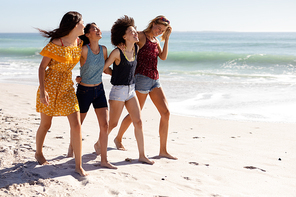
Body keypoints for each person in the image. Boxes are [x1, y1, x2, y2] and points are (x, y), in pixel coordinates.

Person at [114, 15, 177, 160]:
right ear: (153, 23)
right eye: (158, 28)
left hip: (155, 79)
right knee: (135, 115)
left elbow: (163, 57)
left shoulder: (155, 40)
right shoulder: (141, 36)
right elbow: (127, 46)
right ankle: (118, 138)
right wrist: (120, 48)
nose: (159, 32)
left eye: (162, 31)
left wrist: (166, 38)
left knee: (166, 113)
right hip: (141, 79)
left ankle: (163, 150)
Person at [35, 11, 87, 176]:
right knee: (46, 124)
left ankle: (78, 165)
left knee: (76, 125)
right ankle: (39, 153)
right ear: (74, 25)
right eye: (82, 22)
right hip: (50, 87)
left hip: (67, 88)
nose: (84, 25)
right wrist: (43, 91)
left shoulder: (79, 43)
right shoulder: (57, 43)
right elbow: (42, 67)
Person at [103, 15, 154, 165]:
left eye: (135, 31)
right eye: (131, 31)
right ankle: (99, 144)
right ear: (124, 36)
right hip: (118, 91)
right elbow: (104, 69)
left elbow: (148, 34)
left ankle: (142, 155)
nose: (135, 33)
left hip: (131, 90)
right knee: (112, 124)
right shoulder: (117, 52)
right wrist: (115, 75)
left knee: (138, 121)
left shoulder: (136, 48)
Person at [66, 23, 116, 169]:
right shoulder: (83, 50)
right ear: (87, 34)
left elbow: (105, 69)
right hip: (84, 92)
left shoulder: (104, 49)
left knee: (105, 125)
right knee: (78, 125)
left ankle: (104, 160)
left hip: (99, 90)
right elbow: (69, 64)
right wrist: (76, 78)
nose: (98, 30)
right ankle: (71, 146)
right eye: (94, 29)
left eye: (98, 28)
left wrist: (120, 76)